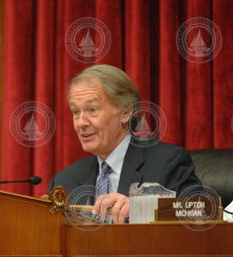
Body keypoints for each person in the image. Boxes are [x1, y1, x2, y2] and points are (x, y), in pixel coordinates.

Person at [48, 64, 202, 224]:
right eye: (76, 112)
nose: (81, 123)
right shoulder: (64, 181)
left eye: (92, 110)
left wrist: (143, 208)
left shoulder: (168, 161)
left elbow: (204, 211)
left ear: (126, 112)